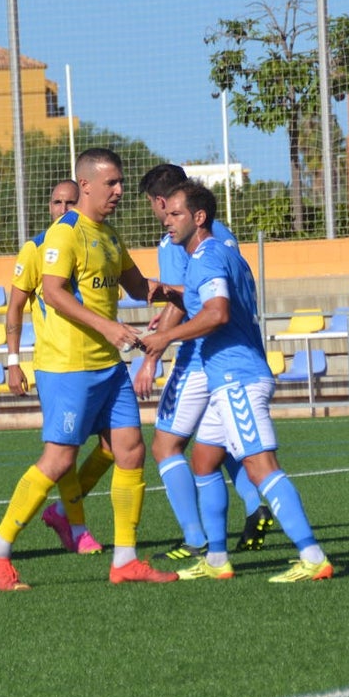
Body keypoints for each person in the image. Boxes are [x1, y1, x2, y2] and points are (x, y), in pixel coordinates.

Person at [0, 147, 177, 590]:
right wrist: (108, 326)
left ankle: (125, 560)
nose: (120, 191)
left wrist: (187, 293)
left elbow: (140, 287)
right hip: (68, 367)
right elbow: (53, 291)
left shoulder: (108, 236)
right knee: (59, 459)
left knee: (129, 451)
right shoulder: (64, 235)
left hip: (108, 366)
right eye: (112, 184)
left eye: (121, 183)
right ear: (86, 184)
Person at [141, 182, 333, 582]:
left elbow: (217, 313)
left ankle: (313, 555)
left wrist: (164, 337)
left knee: (261, 465)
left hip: (236, 377)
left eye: (176, 214)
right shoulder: (219, 253)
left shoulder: (206, 258)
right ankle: (216, 560)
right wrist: (171, 293)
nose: (168, 221)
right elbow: (210, 298)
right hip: (224, 376)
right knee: (204, 460)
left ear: (198, 218)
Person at [134, 164, 273, 560]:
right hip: (239, 350)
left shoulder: (178, 239)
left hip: (200, 355)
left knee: (165, 446)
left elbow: (192, 302)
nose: (160, 215)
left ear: (160, 201)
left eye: (152, 205)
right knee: (217, 444)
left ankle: (196, 539)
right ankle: (252, 503)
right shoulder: (219, 230)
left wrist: (153, 355)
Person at [8, 178, 114, 556]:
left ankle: (60, 513)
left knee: (115, 447)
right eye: (57, 202)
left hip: (99, 362)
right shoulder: (35, 248)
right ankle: (78, 528)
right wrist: (12, 361)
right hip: (58, 365)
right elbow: (16, 307)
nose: (64, 209)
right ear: (49, 206)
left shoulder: (93, 238)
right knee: (64, 452)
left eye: (70, 201)